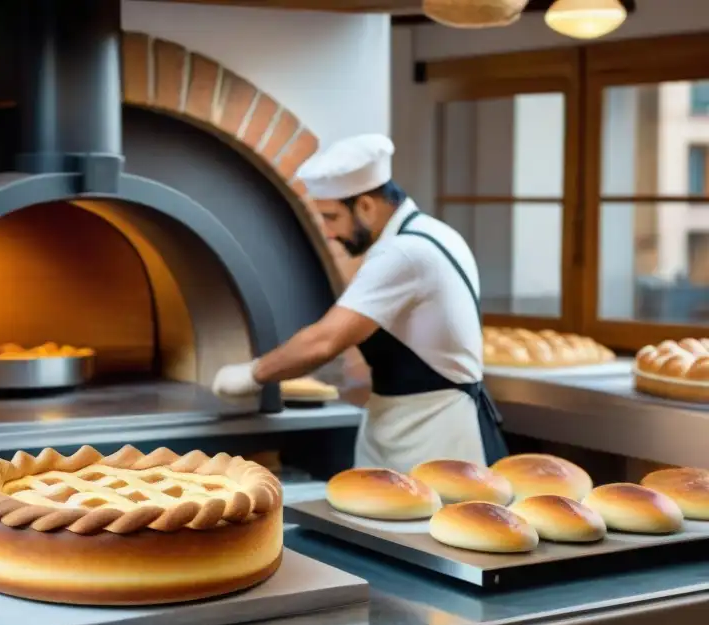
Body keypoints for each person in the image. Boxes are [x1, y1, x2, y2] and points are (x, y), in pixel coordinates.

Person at [211, 134, 507, 472]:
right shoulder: (434, 232)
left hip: (433, 438)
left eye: (332, 217)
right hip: (410, 424)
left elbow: (324, 341)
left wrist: (252, 374)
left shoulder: (403, 253)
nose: (328, 233)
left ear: (365, 205)